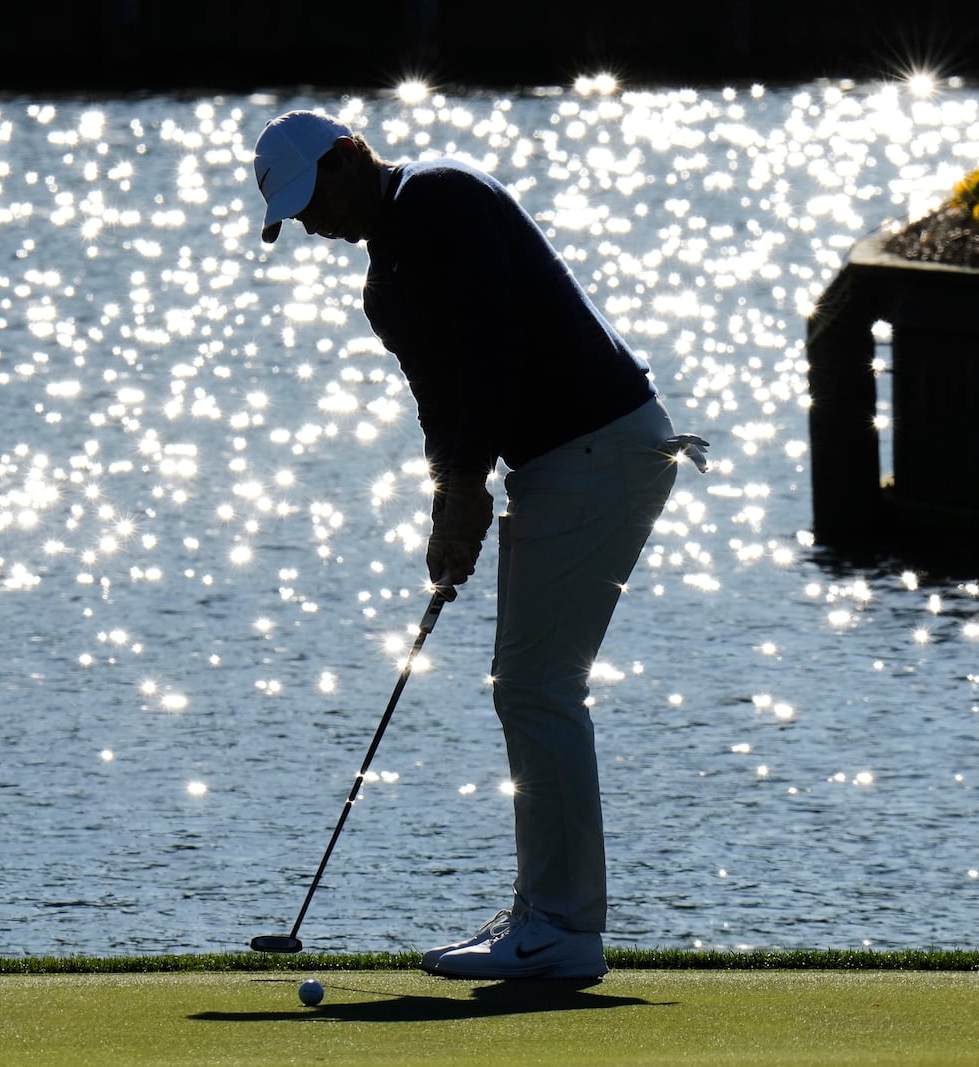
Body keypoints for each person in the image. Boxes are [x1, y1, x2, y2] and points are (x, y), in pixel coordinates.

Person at [252, 109, 706, 980]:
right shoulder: (385, 284)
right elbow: (444, 403)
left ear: (352, 155)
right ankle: (549, 913)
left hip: (599, 446)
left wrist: (466, 491)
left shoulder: (440, 196)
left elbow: (494, 351)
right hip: (561, 461)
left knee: (536, 687)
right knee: (531, 687)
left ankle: (562, 926)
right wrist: (446, 508)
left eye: (316, 198)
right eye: (299, 216)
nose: (314, 224)